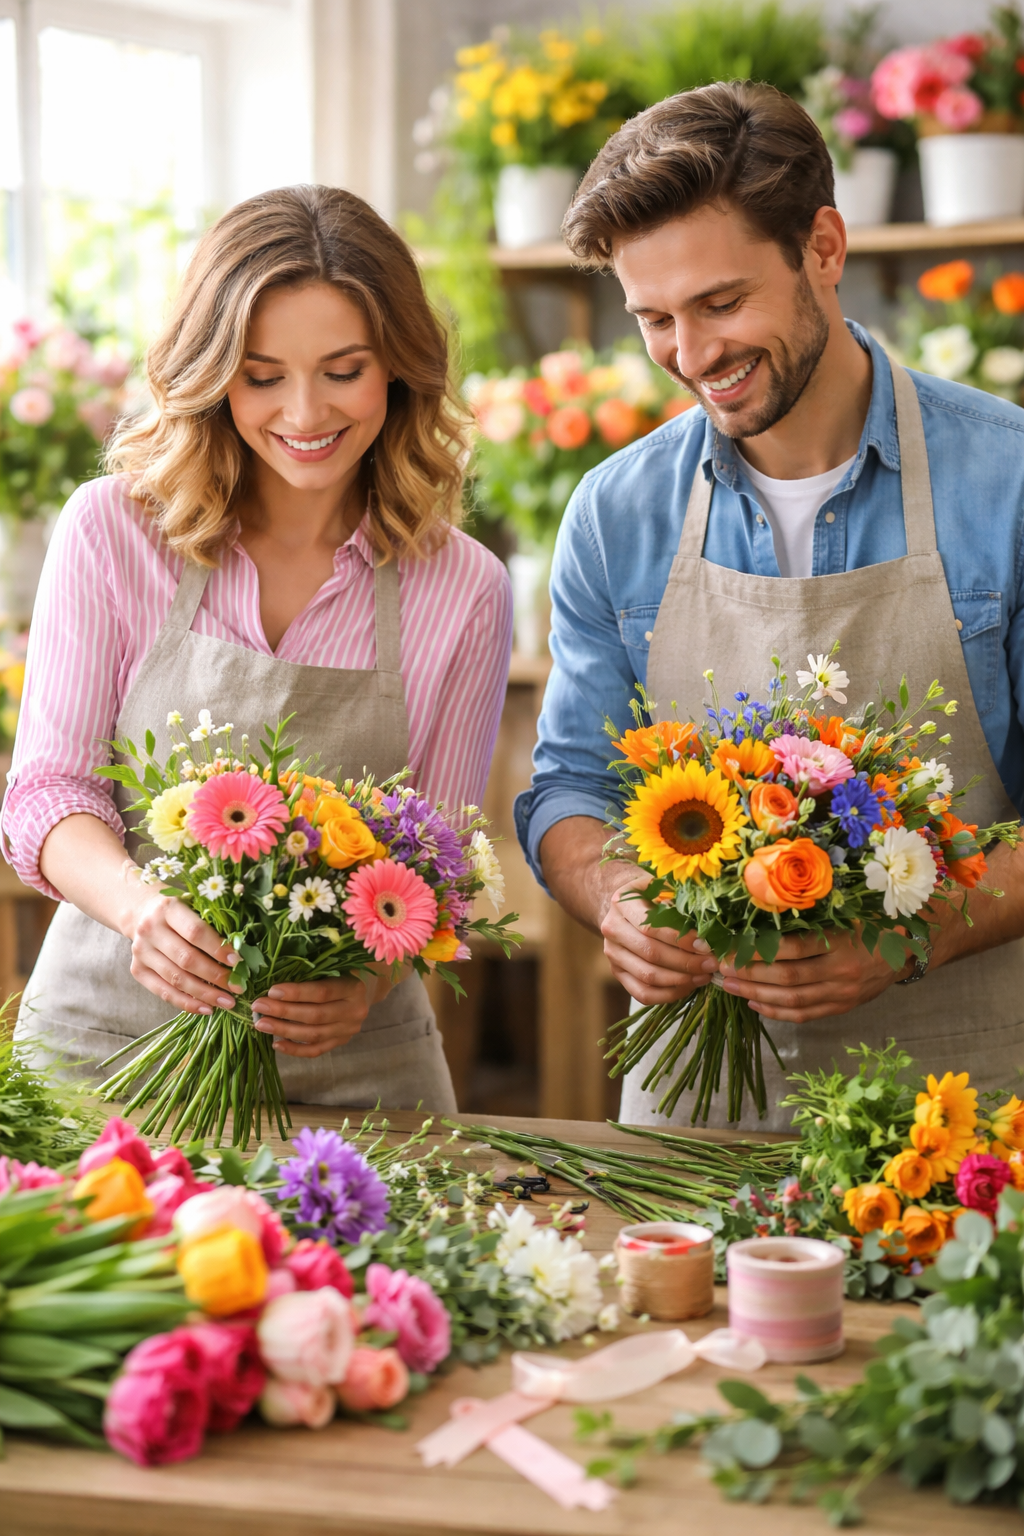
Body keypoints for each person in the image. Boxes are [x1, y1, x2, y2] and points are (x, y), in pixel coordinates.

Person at [516, 81, 1024, 1130]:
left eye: (720, 303)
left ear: (824, 248)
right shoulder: (617, 512)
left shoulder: (1007, 486)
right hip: (698, 1114)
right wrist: (613, 897)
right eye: (653, 318)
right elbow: (569, 784)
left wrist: (909, 930)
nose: (692, 357)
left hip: (969, 1114)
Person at [4, 184, 512, 1113]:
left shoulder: (464, 587)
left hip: (358, 1078)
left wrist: (362, 982)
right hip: (104, 1055)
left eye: (344, 369)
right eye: (262, 373)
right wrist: (141, 911)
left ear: (399, 368)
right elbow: (49, 794)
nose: (305, 411)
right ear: (211, 373)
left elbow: (444, 859)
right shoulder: (113, 530)